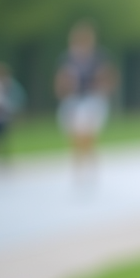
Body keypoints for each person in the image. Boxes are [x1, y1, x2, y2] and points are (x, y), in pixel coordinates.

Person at [55, 21, 116, 184]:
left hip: (92, 98)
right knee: (75, 136)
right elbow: (60, 81)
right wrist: (64, 90)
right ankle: (79, 167)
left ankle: (88, 166)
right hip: (73, 99)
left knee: (88, 134)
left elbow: (108, 78)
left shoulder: (99, 57)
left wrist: (101, 89)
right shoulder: (67, 58)